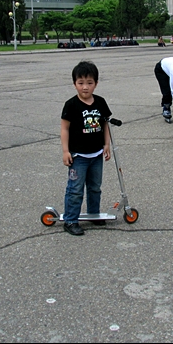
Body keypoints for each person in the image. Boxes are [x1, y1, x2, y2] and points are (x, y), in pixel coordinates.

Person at [61, 61, 112, 236]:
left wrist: (106, 145)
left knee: (95, 187)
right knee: (75, 189)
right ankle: (70, 220)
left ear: (96, 83)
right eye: (81, 83)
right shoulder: (71, 105)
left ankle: (93, 214)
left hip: (97, 154)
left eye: (90, 83)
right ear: (74, 83)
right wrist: (66, 151)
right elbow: (64, 129)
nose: (85, 87)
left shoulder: (100, 102)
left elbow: (105, 125)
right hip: (78, 156)